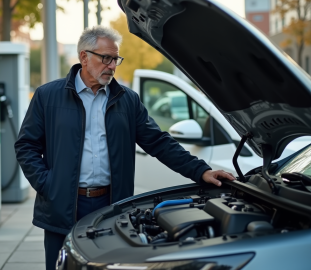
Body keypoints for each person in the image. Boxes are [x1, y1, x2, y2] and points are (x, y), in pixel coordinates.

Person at [14, 26, 235, 270]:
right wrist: (48, 184)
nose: (111, 66)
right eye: (105, 58)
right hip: (62, 204)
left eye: (115, 59)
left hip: (110, 206)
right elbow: (26, 145)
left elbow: (158, 141)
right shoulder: (48, 96)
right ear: (84, 57)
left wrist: (201, 171)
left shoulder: (127, 100)